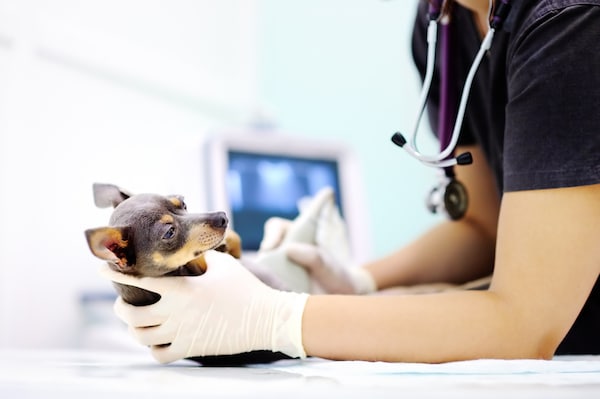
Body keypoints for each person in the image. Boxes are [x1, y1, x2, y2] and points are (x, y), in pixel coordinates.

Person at [100, 0, 600, 364]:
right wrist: (358, 280)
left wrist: (277, 318)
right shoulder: (442, 22)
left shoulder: (572, 26)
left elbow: (523, 323)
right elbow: (484, 226)